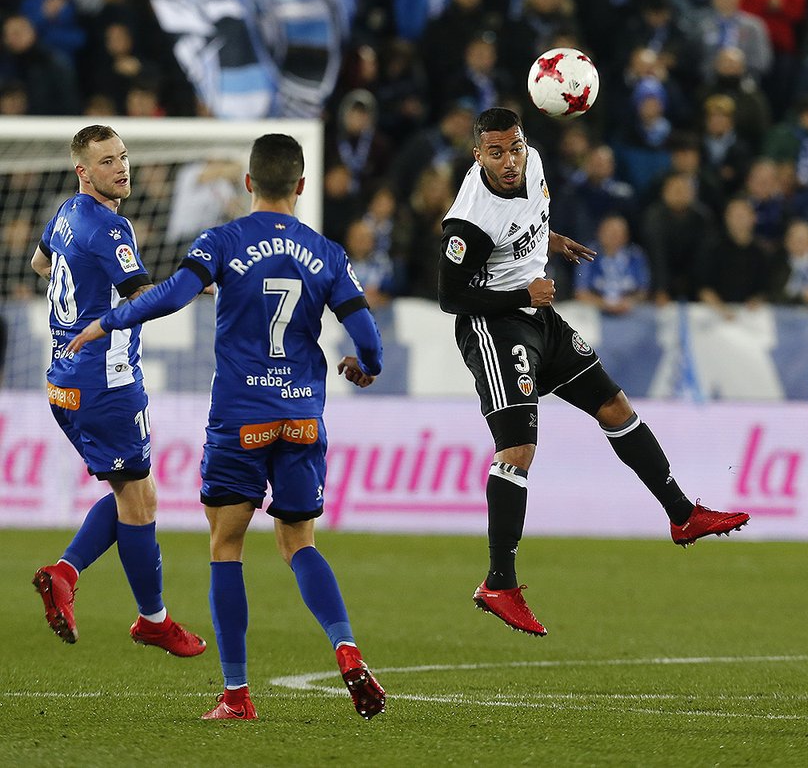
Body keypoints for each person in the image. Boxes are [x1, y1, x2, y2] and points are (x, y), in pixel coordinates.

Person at [68, 134, 386, 722]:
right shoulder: (328, 254)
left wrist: (107, 322)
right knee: (298, 544)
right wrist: (362, 368)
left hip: (240, 419)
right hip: (301, 417)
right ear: (301, 185)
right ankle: (346, 648)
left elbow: (167, 298)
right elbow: (369, 342)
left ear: (247, 185)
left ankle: (237, 695)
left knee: (227, 544)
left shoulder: (222, 240)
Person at [439, 108, 750, 636]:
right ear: (478, 156)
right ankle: (499, 582)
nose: (510, 161)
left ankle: (680, 514)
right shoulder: (468, 218)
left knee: (615, 407)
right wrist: (522, 292)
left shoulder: (534, 164)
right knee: (517, 450)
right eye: (496, 153)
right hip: (494, 327)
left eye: (514, 148)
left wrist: (550, 241)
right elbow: (450, 296)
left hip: (541, 318)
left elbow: (528, 220)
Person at [31, 124, 207, 659]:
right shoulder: (110, 228)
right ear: (83, 171)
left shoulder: (66, 214)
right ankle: (153, 619)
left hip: (63, 380)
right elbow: (144, 297)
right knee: (137, 499)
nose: (121, 168)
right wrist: (204, 279)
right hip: (106, 383)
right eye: (107, 161)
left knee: (134, 491)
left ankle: (64, 573)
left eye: (124, 157)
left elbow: (42, 264)